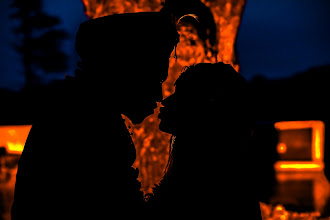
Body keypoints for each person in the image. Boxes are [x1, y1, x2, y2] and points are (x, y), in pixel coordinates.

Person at [12, 12, 179, 220]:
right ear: (126, 69)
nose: (159, 96)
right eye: (155, 79)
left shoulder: (77, 110)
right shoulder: (87, 125)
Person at [146, 62, 262, 219]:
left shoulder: (203, 189)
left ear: (206, 106)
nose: (165, 100)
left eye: (182, 94)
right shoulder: (230, 183)